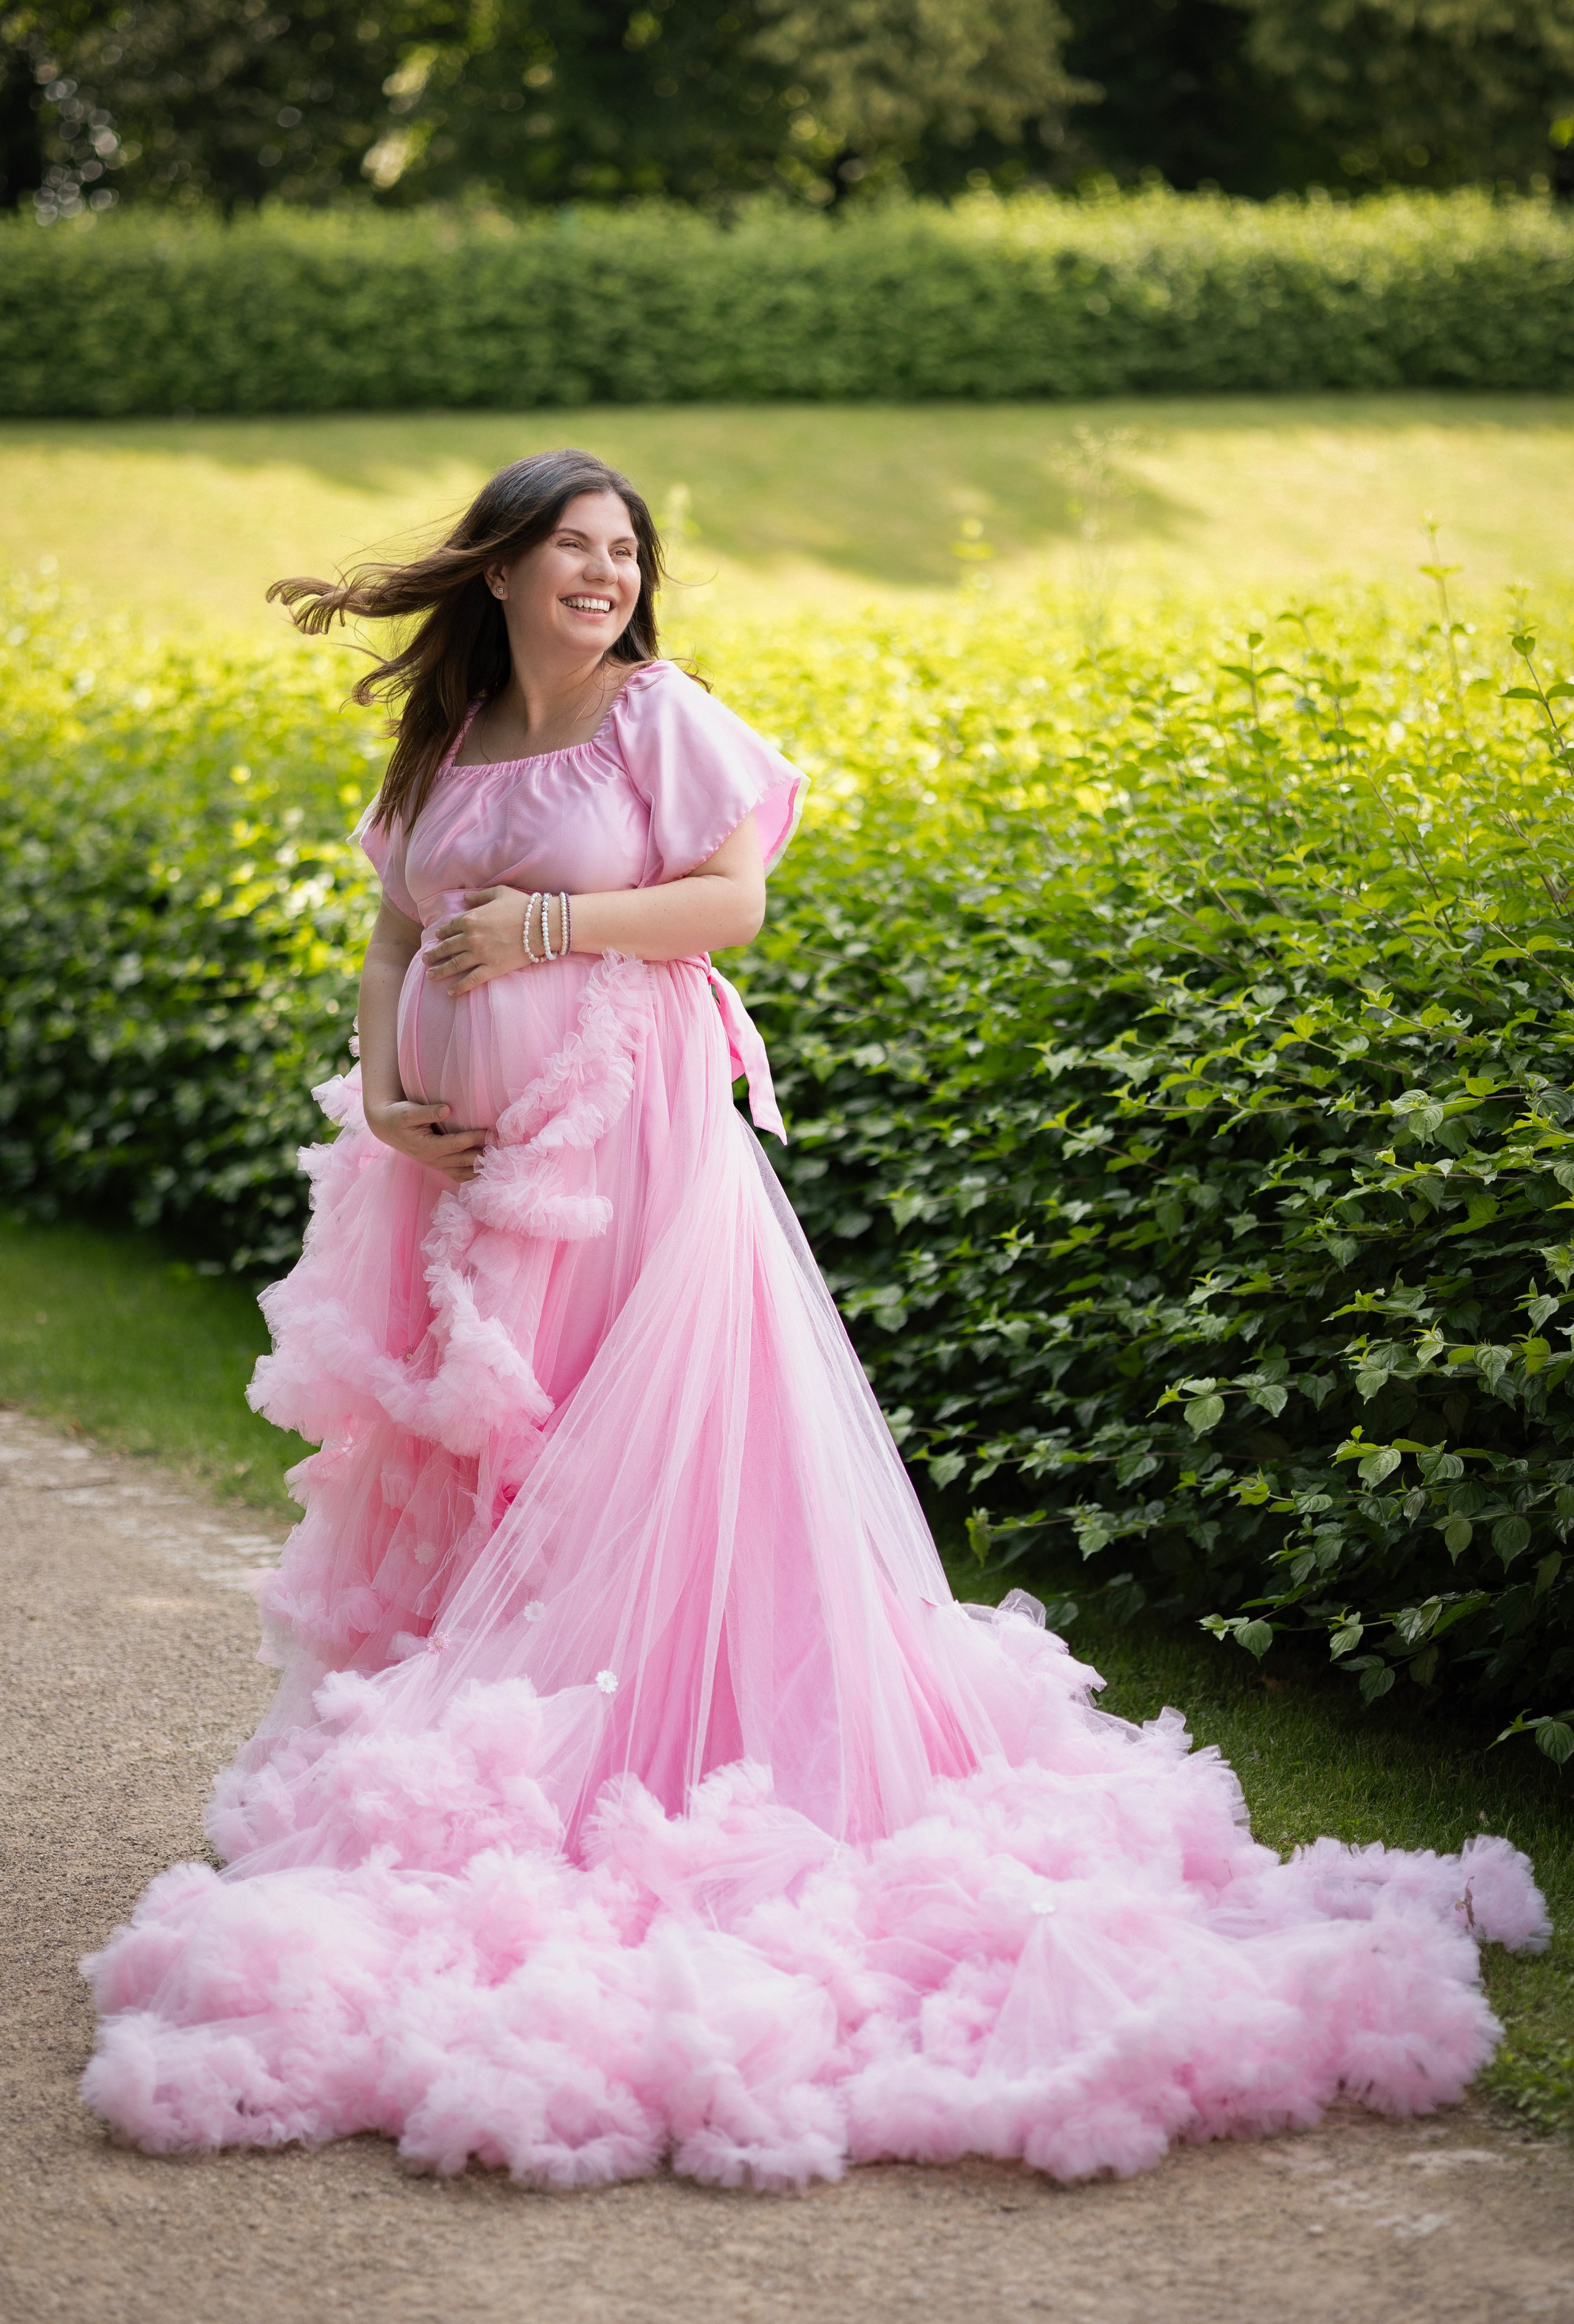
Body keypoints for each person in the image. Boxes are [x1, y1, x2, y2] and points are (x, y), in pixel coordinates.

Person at [82, 450, 1546, 2190]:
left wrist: (555, 919)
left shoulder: (651, 717)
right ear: (498, 570)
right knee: (504, 1461)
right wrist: (393, 1094)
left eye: (627, 551)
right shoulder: (450, 742)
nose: (607, 575)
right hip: (472, 1180)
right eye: (575, 548)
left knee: (626, 1462)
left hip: (631, 1151)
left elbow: (729, 905)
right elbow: (397, 935)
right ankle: (514, 1767)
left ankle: (661, 1765)